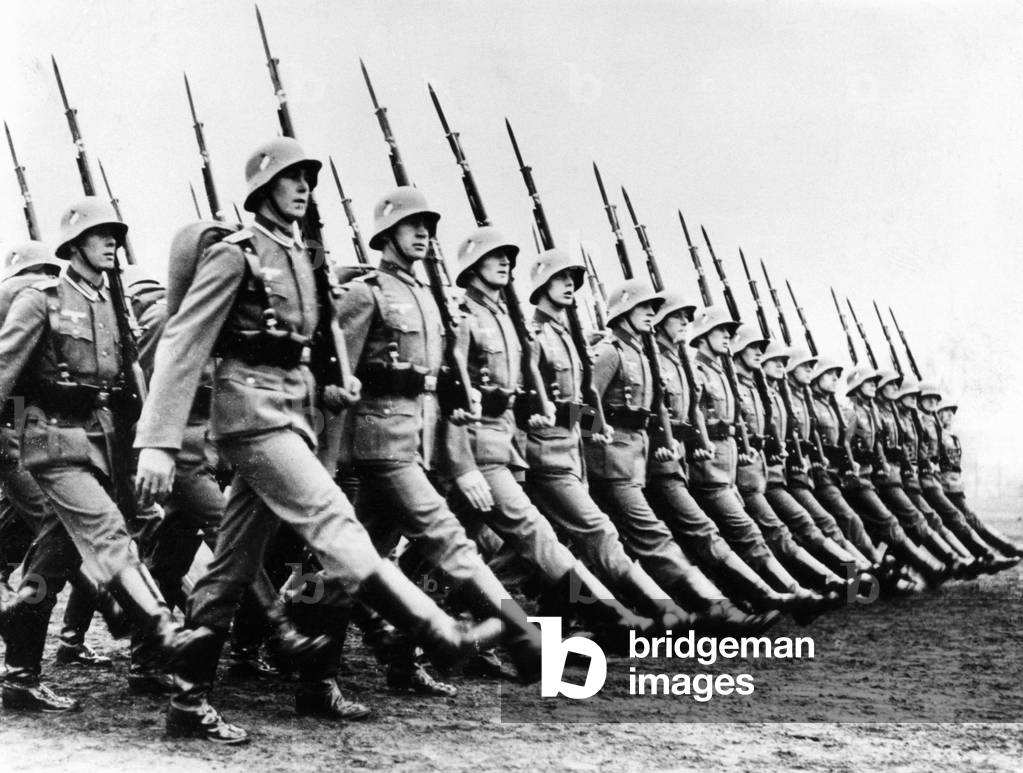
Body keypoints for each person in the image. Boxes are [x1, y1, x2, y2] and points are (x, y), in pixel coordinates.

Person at [135, 140, 501, 744]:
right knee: (336, 523)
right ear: (261, 191)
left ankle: (187, 701)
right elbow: (183, 340)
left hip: (291, 418)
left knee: (230, 569)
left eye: (308, 177)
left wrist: (331, 388)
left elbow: (310, 351)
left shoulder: (304, 259)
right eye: (290, 178)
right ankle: (438, 629)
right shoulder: (239, 257)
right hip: (250, 417)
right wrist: (158, 439)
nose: (303, 186)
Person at [0, 203, 211, 713]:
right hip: (53, 442)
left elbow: (129, 383)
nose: (112, 242)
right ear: (74, 244)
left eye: (115, 234)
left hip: (103, 442)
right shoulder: (41, 300)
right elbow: (4, 372)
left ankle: (20, 670)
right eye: (100, 235)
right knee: (109, 531)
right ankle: (165, 631)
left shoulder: (110, 304)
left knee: (55, 558)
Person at [444, 226, 653, 647]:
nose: (505, 261)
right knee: (536, 538)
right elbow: (472, 392)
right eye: (494, 255)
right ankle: (609, 614)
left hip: (536, 450)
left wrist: (594, 427)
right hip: (508, 450)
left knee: (494, 547)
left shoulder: (530, 327)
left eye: (509, 255)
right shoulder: (486, 322)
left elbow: (567, 399)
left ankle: (477, 624)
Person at [585, 279, 778, 633]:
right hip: (610, 461)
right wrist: (598, 432)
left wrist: (668, 437)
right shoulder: (612, 352)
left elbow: (659, 411)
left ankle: (667, 612)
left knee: (623, 542)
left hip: (637, 461)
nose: (651, 314)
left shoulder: (643, 356)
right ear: (624, 310)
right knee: (650, 537)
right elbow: (585, 404)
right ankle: (708, 610)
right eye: (645, 307)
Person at [520, 249, 694, 629]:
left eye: (573, 279)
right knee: (554, 545)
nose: (569, 285)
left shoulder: (568, 337)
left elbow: (583, 403)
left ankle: (558, 634)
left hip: (574, 456)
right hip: (544, 455)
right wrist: (594, 426)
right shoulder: (538, 335)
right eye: (560, 277)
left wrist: (594, 426)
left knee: (566, 548)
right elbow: (534, 401)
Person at [644, 291, 797, 614]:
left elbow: (693, 416)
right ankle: (743, 602)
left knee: (697, 536)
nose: (685, 321)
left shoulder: (684, 365)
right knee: (702, 533)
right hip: (654, 467)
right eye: (679, 316)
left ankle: (737, 601)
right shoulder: (652, 360)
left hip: (697, 464)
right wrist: (658, 442)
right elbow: (603, 413)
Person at [729, 323, 850, 599]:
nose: (780, 365)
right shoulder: (746, 387)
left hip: (773, 475)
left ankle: (849, 579)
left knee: (811, 524)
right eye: (777, 360)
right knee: (783, 530)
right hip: (755, 478)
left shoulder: (769, 393)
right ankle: (838, 581)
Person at [935, 399, 1023, 559]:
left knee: (966, 521)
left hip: (954, 486)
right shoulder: (936, 434)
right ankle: (997, 552)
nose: (949, 414)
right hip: (943, 487)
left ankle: (997, 551)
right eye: (945, 411)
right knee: (965, 521)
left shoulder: (951, 436)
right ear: (938, 413)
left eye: (951, 411)